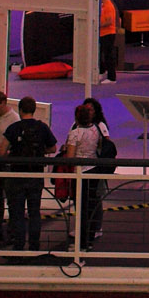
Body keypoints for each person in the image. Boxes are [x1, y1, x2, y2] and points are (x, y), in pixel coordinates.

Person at [1, 97, 56, 250]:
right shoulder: (42, 127)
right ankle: (34, 246)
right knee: (34, 212)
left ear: (20, 110)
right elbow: (53, 148)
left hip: (17, 176)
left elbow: (2, 151)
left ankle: (18, 246)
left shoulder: (14, 128)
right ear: (34, 110)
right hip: (35, 176)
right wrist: (40, 152)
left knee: (17, 213)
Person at [62, 101, 107, 247]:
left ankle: (81, 242)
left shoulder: (75, 134)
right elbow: (100, 146)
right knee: (91, 205)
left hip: (80, 173)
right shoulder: (96, 129)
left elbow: (70, 158)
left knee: (81, 207)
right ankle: (89, 239)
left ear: (77, 117)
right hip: (93, 171)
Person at [98, 0, 120, 82]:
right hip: (102, 33)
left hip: (108, 33)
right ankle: (102, 71)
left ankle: (111, 77)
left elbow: (109, 21)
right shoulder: (103, 5)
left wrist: (98, 25)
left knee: (108, 55)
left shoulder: (108, 6)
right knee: (100, 54)